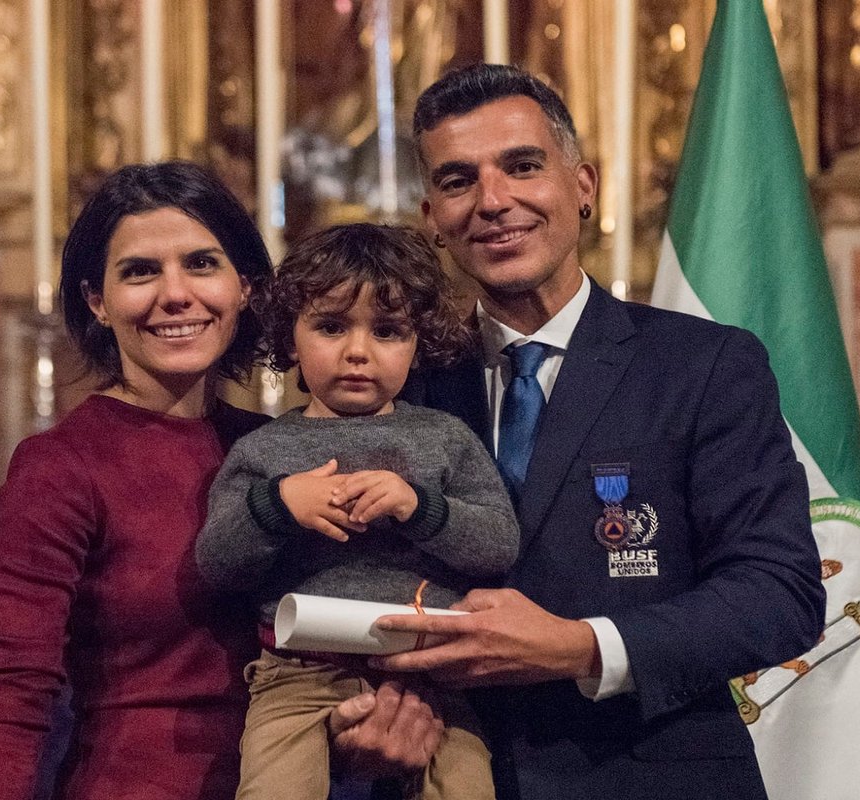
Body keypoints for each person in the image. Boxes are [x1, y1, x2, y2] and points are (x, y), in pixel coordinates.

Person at [336, 65, 826, 799]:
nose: (494, 201)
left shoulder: (704, 365)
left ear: (583, 186)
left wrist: (579, 646)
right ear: (431, 216)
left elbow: (778, 593)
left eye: (523, 166)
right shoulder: (401, 381)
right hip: (442, 777)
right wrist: (356, 724)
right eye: (460, 179)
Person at [0, 162, 438, 800]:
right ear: (97, 301)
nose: (176, 294)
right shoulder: (60, 468)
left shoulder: (283, 450)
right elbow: (11, 701)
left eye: (202, 264)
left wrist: (362, 728)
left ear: (245, 287)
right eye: (140, 271)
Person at [195, 224, 521, 800]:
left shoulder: (444, 438)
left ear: (420, 341)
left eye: (389, 331)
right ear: (290, 339)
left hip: (433, 670)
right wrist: (278, 506)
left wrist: (419, 507)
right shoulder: (263, 451)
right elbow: (217, 565)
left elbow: (498, 543)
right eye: (330, 326)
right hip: (298, 674)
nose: (357, 351)